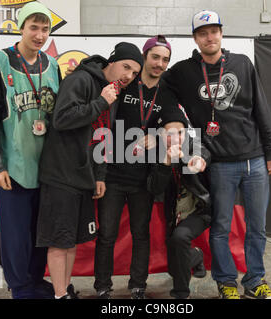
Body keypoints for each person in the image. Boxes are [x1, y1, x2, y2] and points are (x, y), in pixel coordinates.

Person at [163, 10, 271, 299]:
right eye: (203, 33)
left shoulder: (242, 63)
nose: (209, 37)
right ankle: (226, 282)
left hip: (253, 159)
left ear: (221, 33)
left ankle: (255, 281)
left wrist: (270, 148)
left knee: (257, 227)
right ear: (195, 38)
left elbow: (260, 108)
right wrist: (175, 119)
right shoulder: (183, 71)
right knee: (220, 228)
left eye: (213, 31)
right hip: (219, 165)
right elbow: (161, 91)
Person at [36, 42, 143, 299]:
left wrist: (100, 175)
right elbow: (61, 119)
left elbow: (103, 134)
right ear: (112, 62)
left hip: (83, 176)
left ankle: (65, 290)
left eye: (135, 72)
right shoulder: (82, 80)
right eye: (126, 67)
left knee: (70, 240)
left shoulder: (112, 91)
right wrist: (101, 102)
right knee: (59, 240)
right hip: (60, 174)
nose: (129, 75)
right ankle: (60, 294)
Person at [0, 1, 60, 299]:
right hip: (13, 168)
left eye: (45, 29)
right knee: (15, 237)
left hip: (46, 167)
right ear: (21, 28)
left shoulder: (52, 66)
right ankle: (21, 288)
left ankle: (36, 281)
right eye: (33, 28)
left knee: (41, 233)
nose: (39, 35)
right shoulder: (0, 62)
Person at [93, 36, 178, 299]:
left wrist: (161, 136)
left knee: (141, 233)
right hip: (113, 175)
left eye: (165, 59)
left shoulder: (166, 92)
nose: (160, 64)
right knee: (107, 234)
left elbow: (177, 124)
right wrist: (99, 173)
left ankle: (138, 284)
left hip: (143, 178)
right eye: (155, 57)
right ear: (144, 57)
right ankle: (103, 286)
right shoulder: (126, 84)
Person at [147, 110, 210, 299]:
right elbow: (154, 187)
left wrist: (194, 162)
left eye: (180, 133)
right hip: (175, 214)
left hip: (200, 209)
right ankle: (196, 256)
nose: (175, 138)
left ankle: (181, 295)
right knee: (175, 268)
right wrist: (166, 162)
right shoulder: (156, 153)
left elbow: (203, 158)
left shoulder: (194, 146)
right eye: (169, 133)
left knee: (180, 238)